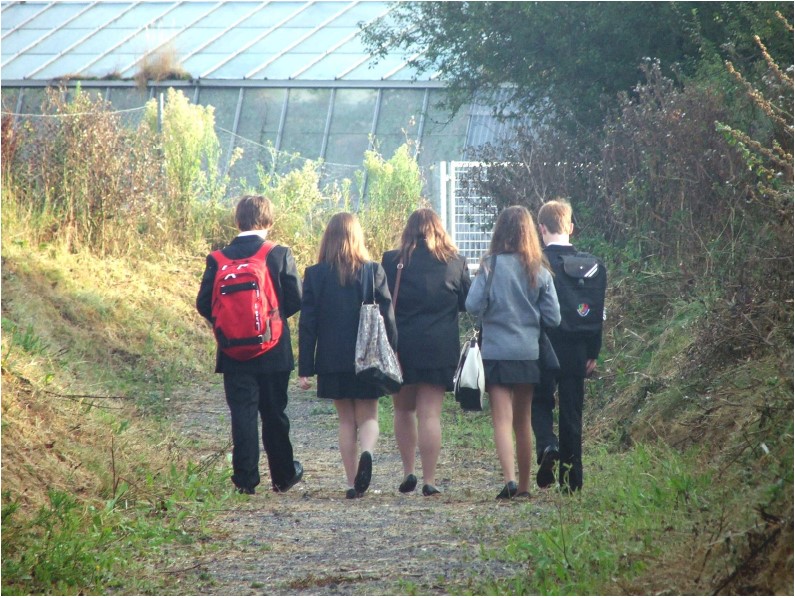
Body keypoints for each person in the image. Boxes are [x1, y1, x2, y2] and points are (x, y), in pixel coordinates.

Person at [196, 194, 303, 495]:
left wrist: (229, 323)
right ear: (268, 221)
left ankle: (245, 481)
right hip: (273, 349)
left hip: (232, 351)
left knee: (242, 413)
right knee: (274, 412)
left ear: (237, 220)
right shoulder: (279, 254)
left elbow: (204, 303)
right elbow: (296, 298)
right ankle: (283, 476)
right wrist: (272, 320)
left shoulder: (217, 258)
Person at [298, 212, 397, 499]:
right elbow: (387, 316)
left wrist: (305, 367)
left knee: (345, 422)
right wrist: (393, 350)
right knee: (368, 418)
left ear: (327, 238)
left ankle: (353, 483)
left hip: (332, 359)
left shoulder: (315, 275)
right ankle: (368, 452)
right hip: (367, 357)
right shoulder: (373, 271)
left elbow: (308, 324)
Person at [465, 205, 560, 500]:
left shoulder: (490, 266)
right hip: (528, 353)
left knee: (502, 421)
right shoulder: (539, 269)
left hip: (496, 352)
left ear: (499, 232)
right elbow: (554, 317)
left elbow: (471, 305)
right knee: (523, 422)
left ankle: (508, 479)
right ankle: (524, 487)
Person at [381, 208, 471, 497]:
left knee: (403, 410)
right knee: (430, 415)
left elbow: (382, 304)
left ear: (408, 231)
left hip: (401, 347)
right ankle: (429, 480)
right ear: (439, 229)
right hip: (439, 346)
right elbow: (466, 302)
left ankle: (408, 471)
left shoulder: (392, 261)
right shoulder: (455, 262)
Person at [532, 198, 606, 493]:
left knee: (540, 401)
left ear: (541, 229)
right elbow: (598, 312)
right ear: (571, 228)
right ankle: (572, 481)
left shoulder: (536, 262)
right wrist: (593, 352)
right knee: (572, 412)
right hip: (578, 348)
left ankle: (547, 443)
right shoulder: (592, 265)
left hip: (544, 345)